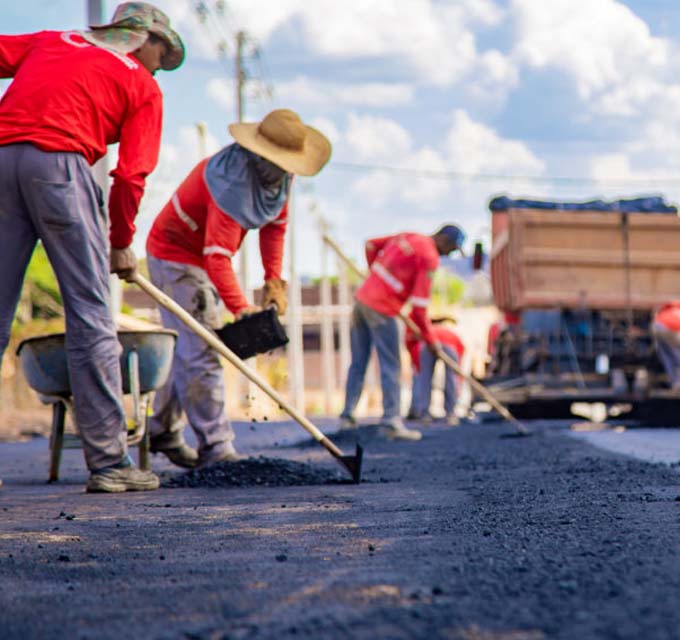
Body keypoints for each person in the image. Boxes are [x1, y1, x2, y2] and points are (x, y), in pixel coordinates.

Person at [0, 3, 184, 493]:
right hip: (60, 168)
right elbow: (131, 174)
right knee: (91, 314)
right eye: (160, 56)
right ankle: (109, 462)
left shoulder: (53, 40)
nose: (157, 67)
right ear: (143, 39)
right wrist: (121, 244)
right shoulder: (142, 84)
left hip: (2, 161)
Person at [145, 109, 330, 467]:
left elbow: (275, 228)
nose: (286, 170)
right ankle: (216, 447)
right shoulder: (230, 183)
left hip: (200, 258)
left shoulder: (278, 179)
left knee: (189, 347)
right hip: (176, 257)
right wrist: (240, 306)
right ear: (260, 157)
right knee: (203, 351)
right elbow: (216, 256)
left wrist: (273, 281)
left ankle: (161, 431)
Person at [340, 225, 466, 440]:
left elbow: (370, 245)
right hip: (383, 309)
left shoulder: (409, 236)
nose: (448, 255)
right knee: (391, 366)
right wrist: (431, 341)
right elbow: (419, 308)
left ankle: (347, 417)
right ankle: (391, 422)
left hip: (362, 301)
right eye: (451, 250)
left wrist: (374, 276)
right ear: (444, 240)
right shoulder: (428, 258)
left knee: (358, 362)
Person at [406, 319, 465, 425]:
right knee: (451, 378)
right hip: (447, 344)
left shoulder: (422, 335)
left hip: (428, 343)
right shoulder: (451, 334)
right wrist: (458, 382)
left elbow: (418, 371)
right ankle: (450, 413)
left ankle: (424, 414)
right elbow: (457, 368)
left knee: (424, 379)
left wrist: (418, 370)